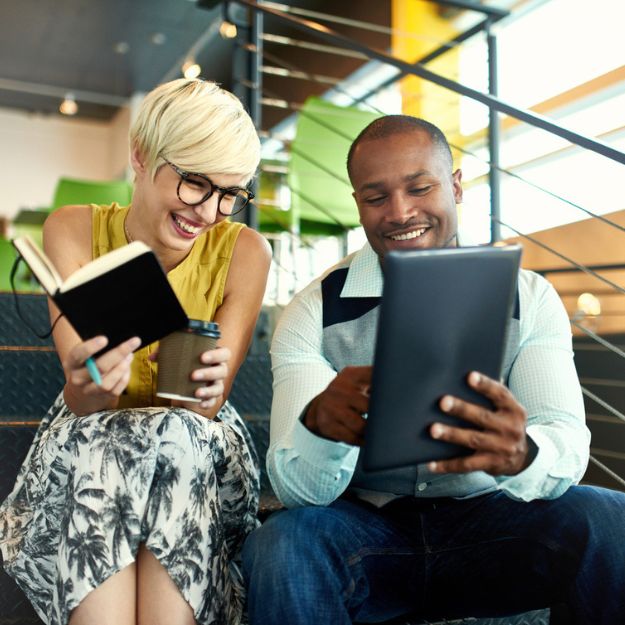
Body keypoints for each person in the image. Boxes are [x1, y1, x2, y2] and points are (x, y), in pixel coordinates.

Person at [242, 115, 625, 624]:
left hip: (493, 524)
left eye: (420, 188)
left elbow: (568, 444)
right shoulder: (312, 310)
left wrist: (523, 454)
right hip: (368, 533)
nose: (400, 213)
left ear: (456, 186)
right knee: (282, 543)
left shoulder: (528, 298)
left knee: (610, 518)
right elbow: (297, 492)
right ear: (358, 204)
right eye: (376, 198)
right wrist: (319, 428)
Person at [0, 78, 272, 625]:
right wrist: (86, 382)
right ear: (141, 155)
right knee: (111, 441)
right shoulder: (73, 227)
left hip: (194, 443)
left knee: (175, 434)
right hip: (93, 436)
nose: (210, 212)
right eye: (196, 183)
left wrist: (210, 384)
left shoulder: (245, 250)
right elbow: (83, 401)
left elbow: (205, 410)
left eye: (230, 194)